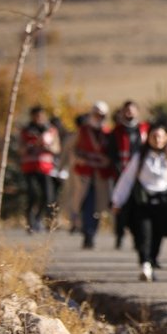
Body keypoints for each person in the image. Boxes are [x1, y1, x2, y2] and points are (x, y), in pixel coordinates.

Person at [110, 122, 167, 282]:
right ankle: (145, 263)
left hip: (163, 203)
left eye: (160, 136)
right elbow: (127, 179)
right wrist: (117, 200)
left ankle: (151, 262)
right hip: (143, 203)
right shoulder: (140, 156)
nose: (157, 140)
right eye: (154, 136)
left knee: (158, 235)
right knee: (144, 234)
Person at [72, 102, 114, 248]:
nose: (99, 117)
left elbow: (111, 153)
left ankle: (91, 233)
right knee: (85, 203)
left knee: (98, 206)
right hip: (84, 174)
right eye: (97, 114)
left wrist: (106, 160)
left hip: (101, 175)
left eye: (102, 115)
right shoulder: (83, 131)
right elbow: (74, 149)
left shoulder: (108, 133)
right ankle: (86, 232)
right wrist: (81, 158)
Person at [109, 101, 149, 248]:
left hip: (140, 176)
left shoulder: (144, 129)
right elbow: (111, 153)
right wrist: (118, 168)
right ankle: (119, 235)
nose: (129, 113)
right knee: (120, 206)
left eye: (132, 110)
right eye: (127, 111)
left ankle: (138, 238)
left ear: (137, 112)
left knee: (139, 207)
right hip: (121, 174)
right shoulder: (117, 131)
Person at [19, 106, 61, 233]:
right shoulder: (26, 131)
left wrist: (47, 146)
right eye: (36, 116)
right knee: (32, 195)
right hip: (30, 168)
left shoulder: (51, 130)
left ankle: (39, 219)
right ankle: (30, 222)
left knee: (48, 197)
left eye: (41, 116)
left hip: (46, 168)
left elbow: (57, 148)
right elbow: (20, 149)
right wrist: (33, 144)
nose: (39, 119)